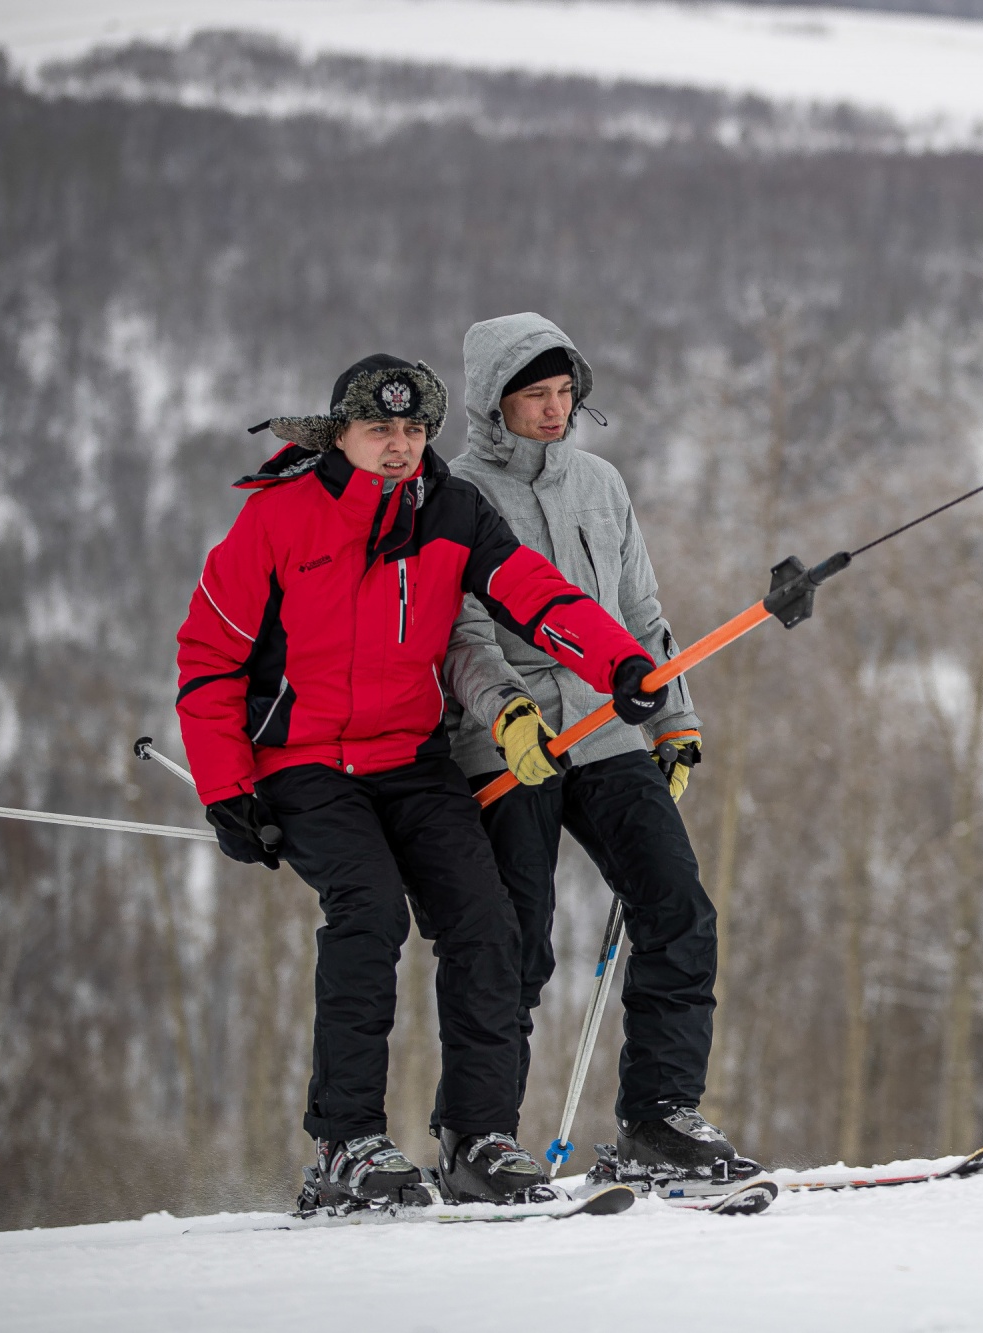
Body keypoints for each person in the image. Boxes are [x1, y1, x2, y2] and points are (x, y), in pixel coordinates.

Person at [175, 353, 667, 1209]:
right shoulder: (276, 522)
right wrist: (226, 788)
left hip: (409, 758)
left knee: (489, 921)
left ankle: (479, 1140)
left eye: (412, 430)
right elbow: (208, 660)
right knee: (369, 909)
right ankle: (345, 1144)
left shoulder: (451, 511)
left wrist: (621, 662)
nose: (399, 446)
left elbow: (537, 596)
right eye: (380, 430)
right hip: (304, 763)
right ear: (340, 434)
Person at [440, 313, 752, 1178]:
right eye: (533, 394)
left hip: (609, 730)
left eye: (564, 392)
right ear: (491, 402)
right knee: (515, 942)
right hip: (512, 744)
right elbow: (461, 630)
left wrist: (672, 719)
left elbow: (640, 612)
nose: (553, 409)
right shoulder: (454, 495)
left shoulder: (601, 485)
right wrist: (506, 714)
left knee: (678, 908)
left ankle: (659, 1117)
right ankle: (479, 1138)